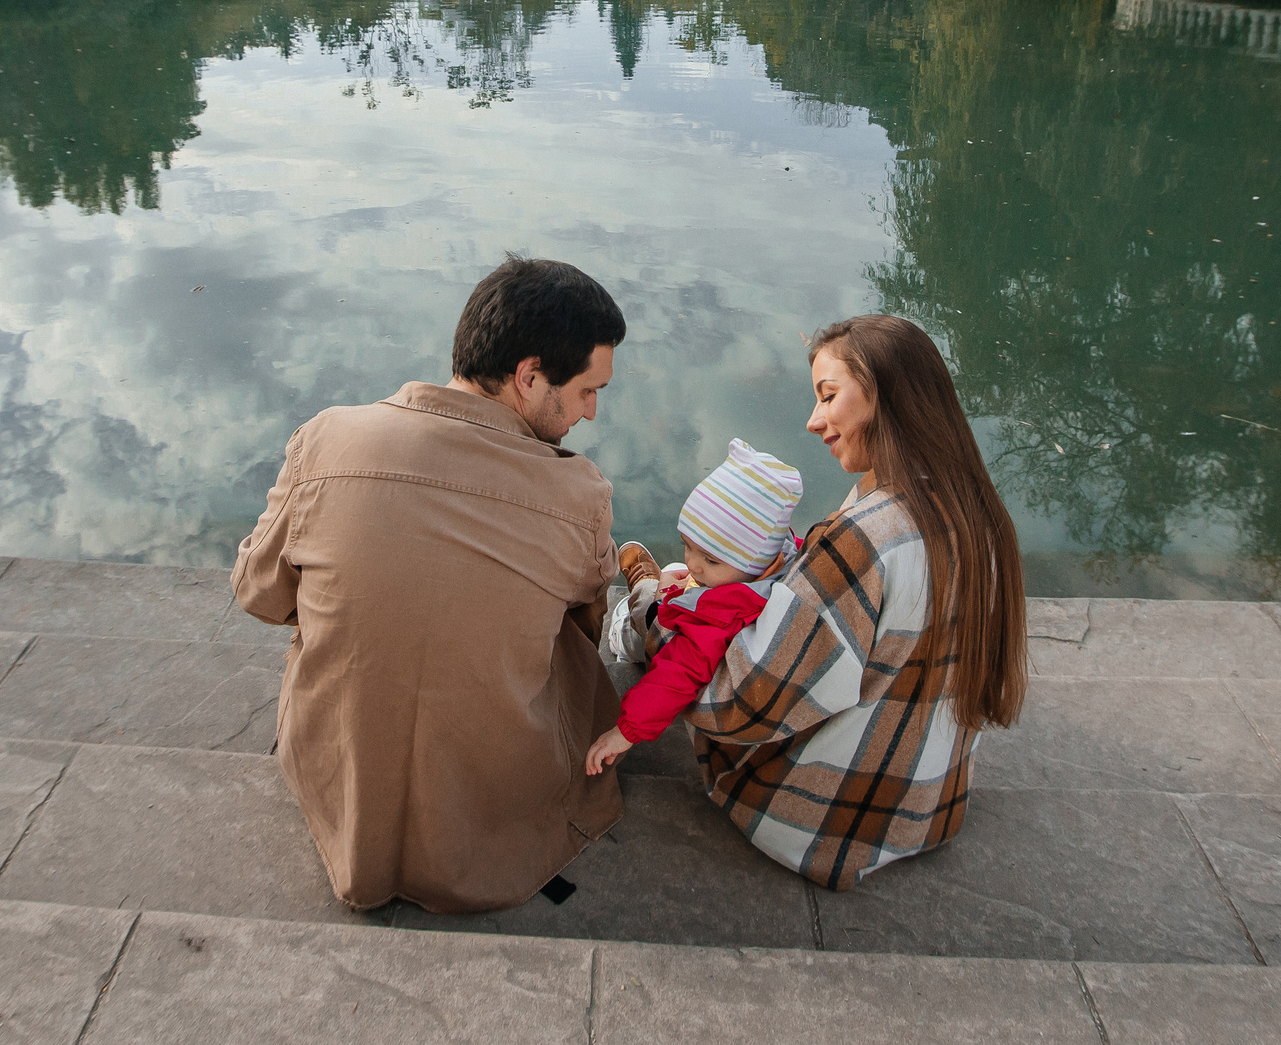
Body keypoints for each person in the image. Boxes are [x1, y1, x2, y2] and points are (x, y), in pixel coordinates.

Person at [232, 256, 627, 913]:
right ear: (529, 376)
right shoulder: (578, 491)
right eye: (588, 390)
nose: (591, 412)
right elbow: (588, 624)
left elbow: (258, 594)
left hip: (341, 793)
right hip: (495, 818)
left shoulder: (325, 439)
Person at [681, 313, 1028, 890]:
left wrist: (663, 621)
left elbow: (745, 701)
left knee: (687, 633)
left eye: (828, 395)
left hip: (823, 822)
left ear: (884, 394)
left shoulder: (865, 535)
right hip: (931, 807)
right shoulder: (980, 516)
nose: (813, 420)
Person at [585, 439, 805, 775]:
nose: (695, 563)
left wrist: (624, 732)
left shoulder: (717, 619)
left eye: (711, 560)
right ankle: (649, 587)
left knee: (652, 611)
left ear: (756, 562)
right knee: (679, 572)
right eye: (688, 545)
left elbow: (676, 675)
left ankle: (626, 629)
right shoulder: (781, 557)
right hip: (717, 603)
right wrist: (708, 571)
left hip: (672, 641)